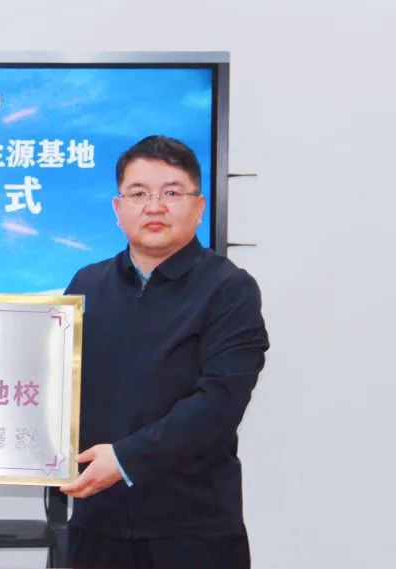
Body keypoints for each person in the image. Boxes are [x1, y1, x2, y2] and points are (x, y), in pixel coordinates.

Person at [59, 135, 269, 569]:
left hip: (194, 532)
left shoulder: (230, 289)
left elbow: (218, 404)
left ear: (199, 207)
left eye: (172, 193)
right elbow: (54, 379)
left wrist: (124, 460)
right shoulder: (86, 284)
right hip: (98, 527)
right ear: (118, 209)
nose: (154, 207)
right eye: (138, 194)